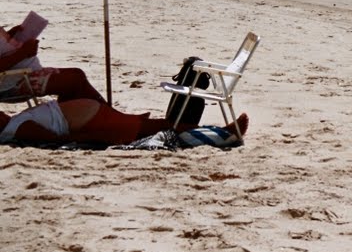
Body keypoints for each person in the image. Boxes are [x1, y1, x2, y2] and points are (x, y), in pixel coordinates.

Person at [0, 97, 249, 146]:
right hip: (95, 123)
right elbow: (60, 139)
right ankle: (223, 133)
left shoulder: (15, 121)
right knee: (160, 127)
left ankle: (217, 131)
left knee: (159, 125)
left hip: (96, 116)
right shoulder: (18, 128)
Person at [0, 25, 105, 104]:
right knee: (73, 80)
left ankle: (100, 114)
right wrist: (23, 53)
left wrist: (10, 35)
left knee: (77, 75)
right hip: (11, 83)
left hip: (19, 75)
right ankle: (105, 114)